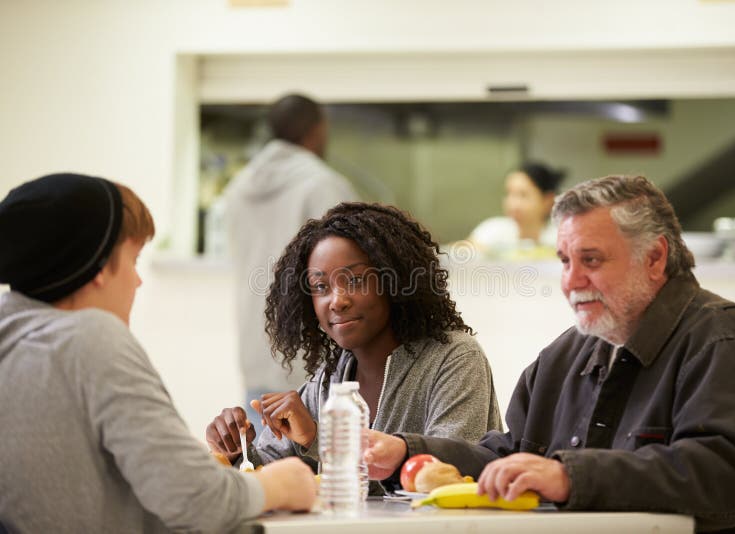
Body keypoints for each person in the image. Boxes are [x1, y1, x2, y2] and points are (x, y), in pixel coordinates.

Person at [365, 175, 735, 533]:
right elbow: (508, 457)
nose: (571, 281)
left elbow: (725, 478)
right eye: (565, 261)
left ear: (654, 257)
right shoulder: (564, 355)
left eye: (590, 260)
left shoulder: (728, 337)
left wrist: (569, 476)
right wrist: (408, 450)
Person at [0, 173, 316, 533]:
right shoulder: (89, 340)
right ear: (100, 267)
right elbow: (196, 500)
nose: (137, 281)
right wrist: (281, 483)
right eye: (133, 260)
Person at [206, 202, 503, 492]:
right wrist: (237, 452)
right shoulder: (328, 380)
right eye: (321, 287)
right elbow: (270, 477)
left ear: (394, 281)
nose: (337, 300)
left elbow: (444, 476)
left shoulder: (454, 358)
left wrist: (316, 438)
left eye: (356, 280)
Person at [224, 93, 358, 432]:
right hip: (308, 357)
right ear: (316, 131)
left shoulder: (238, 188)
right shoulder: (323, 185)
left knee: (263, 467)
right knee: (321, 469)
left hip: (256, 346)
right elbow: (352, 263)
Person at [469, 161, 565, 259]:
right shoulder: (493, 229)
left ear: (547, 200)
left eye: (523, 195)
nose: (513, 204)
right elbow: (462, 251)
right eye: (509, 194)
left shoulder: (562, 236)